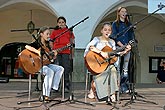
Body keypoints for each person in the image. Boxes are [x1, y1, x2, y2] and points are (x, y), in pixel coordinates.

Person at [84, 22, 131, 102]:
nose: (107, 31)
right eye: (105, 30)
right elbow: (90, 48)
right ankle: (96, 87)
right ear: (101, 31)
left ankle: (112, 94)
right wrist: (101, 52)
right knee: (111, 69)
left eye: (109, 30)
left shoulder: (112, 42)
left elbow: (114, 55)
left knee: (113, 69)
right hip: (96, 64)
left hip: (107, 65)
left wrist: (124, 51)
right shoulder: (96, 40)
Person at [25, 26, 64, 102]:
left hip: (46, 64)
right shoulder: (37, 43)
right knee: (50, 71)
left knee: (60, 68)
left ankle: (54, 87)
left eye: (49, 34)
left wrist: (53, 56)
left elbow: (49, 59)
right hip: (38, 65)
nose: (49, 36)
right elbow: (27, 46)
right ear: (41, 34)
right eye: (47, 34)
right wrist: (37, 52)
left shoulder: (48, 45)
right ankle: (45, 95)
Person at [111, 7, 135, 93]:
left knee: (126, 68)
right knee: (118, 67)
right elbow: (114, 36)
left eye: (125, 11)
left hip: (127, 48)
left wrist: (129, 45)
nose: (124, 13)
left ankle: (124, 86)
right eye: (122, 11)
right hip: (119, 48)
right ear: (118, 13)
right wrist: (122, 46)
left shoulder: (129, 24)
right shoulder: (115, 24)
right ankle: (116, 87)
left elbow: (131, 36)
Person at [50, 16, 75, 92]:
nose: (61, 24)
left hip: (66, 52)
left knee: (66, 69)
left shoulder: (68, 31)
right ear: (57, 24)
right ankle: (56, 86)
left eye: (62, 22)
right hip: (57, 52)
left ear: (65, 23)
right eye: (59, 22)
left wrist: (72, 53)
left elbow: (72, 42)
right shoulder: (54, 32)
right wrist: (53, 50)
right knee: (57, 69)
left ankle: (66, 85)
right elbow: (51, 41)